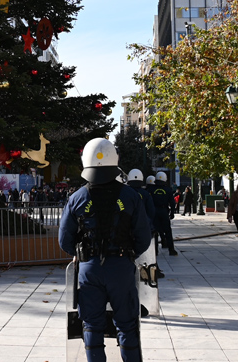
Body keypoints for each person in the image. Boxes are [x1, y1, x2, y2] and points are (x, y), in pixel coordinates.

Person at [59, 138, 151, 362]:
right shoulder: (131, 196)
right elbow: (143, 237)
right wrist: (127, 253)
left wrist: (83, 253)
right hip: (121, 267)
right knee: (128, 326)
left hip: (89, 269)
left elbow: (64, 240)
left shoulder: (77, 198)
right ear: (115, 160)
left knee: (91, 325)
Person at [152, 172, 178, 256]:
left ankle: (155, 250)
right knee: (167, 231)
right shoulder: (168, 190)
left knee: (154, 231)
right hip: (164, 211)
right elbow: (172, 203)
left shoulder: (151, 190)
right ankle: (171, 249)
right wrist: (172, 212)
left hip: (154, 211)